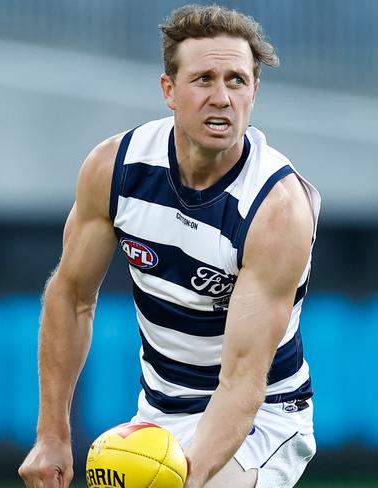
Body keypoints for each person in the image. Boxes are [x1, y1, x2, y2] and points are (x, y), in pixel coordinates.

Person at [18, 4, 321, 488]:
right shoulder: (113, 168)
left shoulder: (276, 208)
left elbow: (242, 380)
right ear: (169, 91)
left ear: (254, 92)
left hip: (263, 415)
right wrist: (52, 434)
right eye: (203, 79)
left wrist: (183, 478)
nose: (221, 97)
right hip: (158, 411)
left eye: (237, 81)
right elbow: (71, 297)